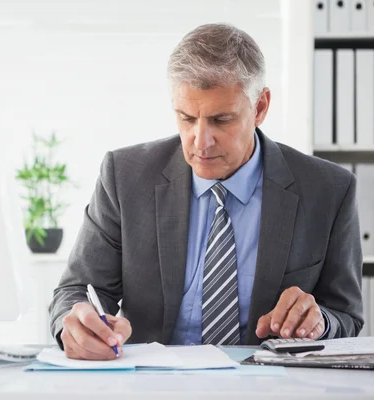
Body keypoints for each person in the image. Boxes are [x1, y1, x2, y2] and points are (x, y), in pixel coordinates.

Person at [48, 23, 363, 360]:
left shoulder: (328, 190)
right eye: (186, 118)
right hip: (151, 382)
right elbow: (77, 290)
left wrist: (319, 322)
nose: (200, 142)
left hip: (268, 385)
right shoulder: (124, 177)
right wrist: (79, 324)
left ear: (260, 107)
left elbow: (346, 314)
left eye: (221, 120)